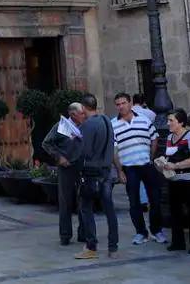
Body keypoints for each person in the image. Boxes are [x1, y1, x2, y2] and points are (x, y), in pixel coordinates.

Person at [112, 92, 167, 245]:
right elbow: (113, 150)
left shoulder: (143, 120)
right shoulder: (113, 125)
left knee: (155, 199)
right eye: (118, 104)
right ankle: (141, 232)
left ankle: (157, 230)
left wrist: (151, 156)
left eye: (123, 103)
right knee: (134, 202)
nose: (121, 106)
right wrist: (119, 170)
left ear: (130, 103)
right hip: (129, 168)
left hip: (146, 165)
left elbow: (154, 138)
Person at [75, 94, 120, 260]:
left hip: (92, 173)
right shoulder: (107, 121)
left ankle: (91, 247)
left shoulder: (87, 125)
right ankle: (113, 247)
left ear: (84, 107)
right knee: (109, 210)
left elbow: (84, 151)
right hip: (107, 171)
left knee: (86, 208)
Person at [158, 107, 190, 254]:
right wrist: (162, 163)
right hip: (174, 180)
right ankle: (178, 242)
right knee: (175, 212)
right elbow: (168, 157)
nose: (168, 123)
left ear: (181, 122)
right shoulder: (169, 138)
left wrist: (176, 165)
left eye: (171, 120)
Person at [42, 102, 87, 246]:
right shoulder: (62, 126)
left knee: (84, 200)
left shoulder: (85, 126)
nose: (84, 115)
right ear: (73, 115)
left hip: (83, 167)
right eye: (81, 113)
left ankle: (84, 233)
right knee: (66, 201)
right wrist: (59, 157)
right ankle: (65, 235)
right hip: (67, 167)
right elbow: (47, 143)